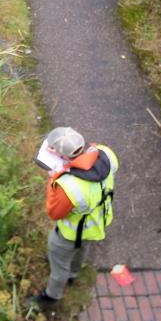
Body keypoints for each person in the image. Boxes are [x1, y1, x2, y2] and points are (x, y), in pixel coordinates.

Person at [27, 127, 119, 311]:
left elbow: (54, 213)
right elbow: (95, 151)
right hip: (96, 223)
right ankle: (74, 273)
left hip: (69, 234)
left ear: (61, 156)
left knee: (59, 263)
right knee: (82, 249)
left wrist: (54, 178)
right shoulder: (108, 154)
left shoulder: (67, 185)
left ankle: (52, 295)